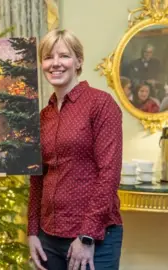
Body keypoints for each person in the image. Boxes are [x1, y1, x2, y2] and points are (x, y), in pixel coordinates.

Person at [27, 29, 123, 270]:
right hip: (48, 237)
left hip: (94, 239)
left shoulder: (100, 105)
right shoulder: (43, 116)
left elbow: (109, 175)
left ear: (79, 61)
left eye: (64, 56)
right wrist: (32, 232)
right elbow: (37, 178)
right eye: (48, 57)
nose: (55, 63)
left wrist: (87, 236)